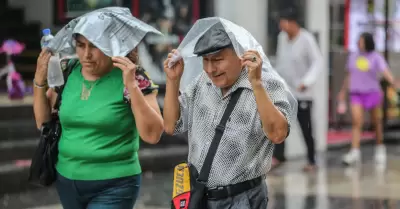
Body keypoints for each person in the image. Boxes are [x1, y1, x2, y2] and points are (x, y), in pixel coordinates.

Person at [33, 14, 164, 209]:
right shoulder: (68, 70)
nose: (86, 55)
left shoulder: (132, 75)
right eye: (81, 45)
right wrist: (39, 81)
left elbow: (152, 134)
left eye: (94, 46)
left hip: (115, 183)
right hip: (67, 180)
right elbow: (42, 122)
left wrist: (132, 86)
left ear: (110, 46)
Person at [163, 18, 296, 209]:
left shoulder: (267, 85)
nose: (210, 69)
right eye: (206, 61)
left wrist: (256, 84)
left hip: (242, 199)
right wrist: (172, 81)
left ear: (241, 54)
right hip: (199, 198)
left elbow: (278, 134)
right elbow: (170, 125)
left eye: (217, 60)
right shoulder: (201, 84)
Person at [272, 7, 323, 171]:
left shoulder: (306, 39)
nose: (282, 27)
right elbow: (281, 62)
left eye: (284, 23)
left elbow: (318, 62)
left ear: (293, 23)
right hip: (285, 91)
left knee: (306, 127)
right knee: (280, 123)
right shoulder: (282, 38)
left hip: (303, 93)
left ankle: (312, 159)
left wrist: (306, 81)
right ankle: (279, 156)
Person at [338, 32, 395, 165]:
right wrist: (342, 91)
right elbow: (349, 75)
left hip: (372, 93)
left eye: (361, 40)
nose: (359, 43)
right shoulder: (353, 56)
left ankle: (380, 147)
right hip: (356, 93)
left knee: (376, 122)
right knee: (357, 122)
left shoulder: (376, 57)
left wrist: (393, 82)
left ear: (367, 42)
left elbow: (385, 71)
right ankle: (355, 151)